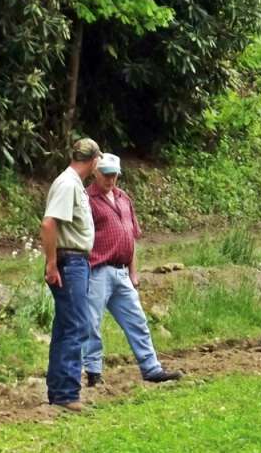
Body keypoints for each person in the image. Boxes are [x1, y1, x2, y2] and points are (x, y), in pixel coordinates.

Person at [83, 153, 182, 386]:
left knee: (137, 319)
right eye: (106, 174)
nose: (110, 179)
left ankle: (151, 367)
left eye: (114, 175)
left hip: (121, 270)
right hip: (97, 269)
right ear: (96, 173)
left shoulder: (123, 198)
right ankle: (94, 373)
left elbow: (131, 237)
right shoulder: (87, 199)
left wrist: (133, 271)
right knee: (92, 323)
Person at [40, 137, 101, 412]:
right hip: (71, 262)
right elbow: (49, 223)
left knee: (66, 326)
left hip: (74, 261)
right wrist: (51, 263)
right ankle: (66, 394)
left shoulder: (73, 184)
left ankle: (59, 391)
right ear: (95, 160)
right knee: (77, 325)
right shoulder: (67, 184)